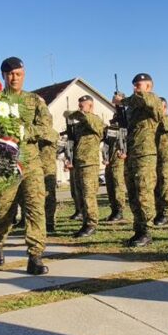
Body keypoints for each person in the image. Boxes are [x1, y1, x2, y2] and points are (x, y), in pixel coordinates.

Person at [0, 57, 58, 274]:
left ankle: (35, 256)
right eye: (10, 74)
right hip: (5, 166)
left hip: (31, 163)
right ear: (3, 75)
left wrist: (25, 133)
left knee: (35, 209)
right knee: (4, 213)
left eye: (18, 74)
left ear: (24, 74)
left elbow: (48, 129)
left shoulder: (34, 101)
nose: (14, 78)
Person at [114, 72, 163, 247]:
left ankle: (147, 231)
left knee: (144, 192)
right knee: (133, 193)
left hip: (146, 155)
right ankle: (139, 230)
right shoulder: (134, 106)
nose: (135, 88)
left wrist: (123, 100)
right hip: (132, 154)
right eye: (134, 85)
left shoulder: (152, 99)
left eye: (138, 85)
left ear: (148, 86)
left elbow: (144, 100)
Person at [65, 95, 106, 238]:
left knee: (89, 195)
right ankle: (84, 221)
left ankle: (91, 224)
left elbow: (92, 123)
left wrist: (78, 114)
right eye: (79, 106)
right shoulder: (79, 125)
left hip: (89, 163)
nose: (80, 109)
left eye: (82, 106)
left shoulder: (95, 120)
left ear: (90, 106)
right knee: (80, 194)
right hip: (78, 162)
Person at [153, 97, 168, 226]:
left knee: (165, 185)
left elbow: (164, 125)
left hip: (166, 158)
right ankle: (158, 211)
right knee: (155, 186)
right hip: (154, 156)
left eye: (159, 107)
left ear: (165, 107)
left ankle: (165, 213)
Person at [38, 139, 57, 234]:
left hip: (49, 170)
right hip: (36, 169)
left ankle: (49, 223)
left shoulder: (50, 133)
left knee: (49, 197)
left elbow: (49, 136)